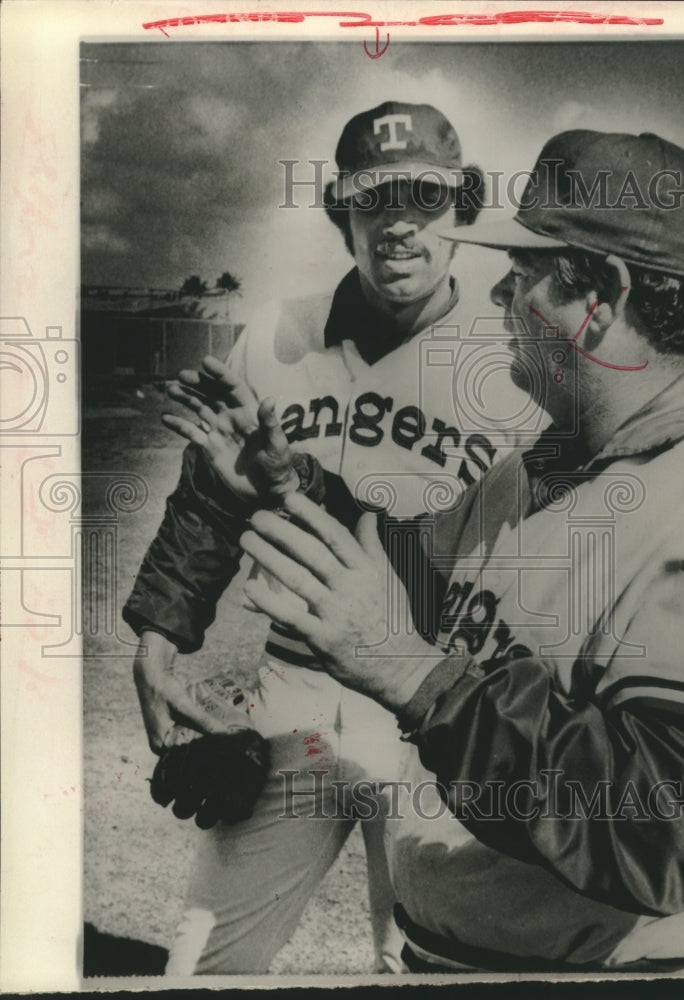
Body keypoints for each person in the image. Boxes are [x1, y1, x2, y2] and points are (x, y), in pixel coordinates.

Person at [237, 129, 684, 974]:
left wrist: (413, 678)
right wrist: (297, 482)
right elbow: (409, 576)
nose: (499, 297)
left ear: (602, 298)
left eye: (524, 275)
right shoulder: (542, 464)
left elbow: (668, 832)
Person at [122, 101, 544, 974]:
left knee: (417, 958)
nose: (397, 224)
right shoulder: (275, 338)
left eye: (423, 198)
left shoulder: (518, 357)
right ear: (339, 213)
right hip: (295, 694)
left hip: (442, 699)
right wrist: (160, 630)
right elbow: (210, 493)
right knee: (204, 963)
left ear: (462, 208)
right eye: (372, 199)